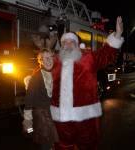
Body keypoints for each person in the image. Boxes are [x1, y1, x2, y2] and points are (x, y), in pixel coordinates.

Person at [50, 16, 124, 150]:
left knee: (88, 145)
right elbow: (42, 68)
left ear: (77, 44)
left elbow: (106, 54)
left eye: (71, 41)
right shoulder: (55, 61)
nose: (68, 44)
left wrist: (117, 34)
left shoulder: (88, 58)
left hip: (85, 117)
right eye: (65, 42)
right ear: (61, 45)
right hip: (61, 117)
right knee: (63, 145)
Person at [22, 48, 59, 150]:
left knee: (53, 143)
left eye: (51, 58)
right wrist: (28, 121)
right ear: (41, 61)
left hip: (53, 114)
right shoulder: (37, 77)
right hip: (43, 117)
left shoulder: (55, 73)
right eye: (45, 58)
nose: (48, 61)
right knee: (46, 142)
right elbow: (29, 99)